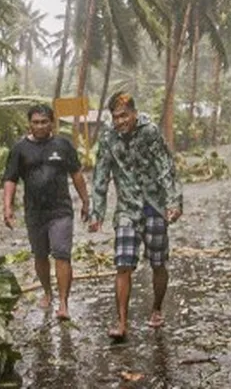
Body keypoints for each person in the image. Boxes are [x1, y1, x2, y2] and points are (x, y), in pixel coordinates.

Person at [88, 91, 183, 340]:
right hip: (127, 209)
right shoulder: (108, 137)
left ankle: (156, 308)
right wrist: (96, 211)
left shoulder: (149, 131)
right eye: (116, 117)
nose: (120, 122)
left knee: (158, 263)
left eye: (124, 116)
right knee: (123, 264)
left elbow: (165, 166)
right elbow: (101, 173)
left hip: (154, 205)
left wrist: (174, 200)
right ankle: (121, 322)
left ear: (134, 112)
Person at [2, 104, 90, 320]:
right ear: (29, 124)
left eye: (44, 122)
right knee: (40, 256)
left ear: (52, 123)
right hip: (34, 212)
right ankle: (47, 292)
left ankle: (63, 303)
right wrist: (7, 206)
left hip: (60, 210)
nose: (40, 126)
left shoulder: (63, 145)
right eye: (35, 122)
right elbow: (10, 179)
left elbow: (76, 174)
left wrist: (86, 201)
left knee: (62, 254)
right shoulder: (19, 149)